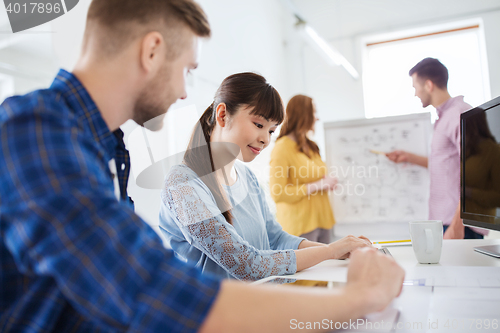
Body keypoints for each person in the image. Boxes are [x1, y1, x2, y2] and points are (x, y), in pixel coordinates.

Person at [0, 0, 405, 332]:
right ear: (152, 50)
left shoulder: (102, 144)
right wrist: (357, 299)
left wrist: (339, 260)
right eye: (187, 71)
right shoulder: (35, 130)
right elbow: (148, 289)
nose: (182, 92)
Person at [159, 74, 372, 281]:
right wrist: (330, 252)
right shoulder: (183, 183)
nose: (264, 139)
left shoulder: (247, 177)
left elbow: (276, 239)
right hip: (212, 314)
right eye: (259, 125)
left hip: (259, 308)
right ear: (222, 115)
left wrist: (338, 250)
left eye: (271, 131)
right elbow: (246, 264)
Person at [386, 57, 488, 239]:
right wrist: (409, 157)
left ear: (428, 85)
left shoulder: (459, 113)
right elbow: (447, 164)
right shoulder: (444, 118)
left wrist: (458, 225)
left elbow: (478, 171)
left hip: (460, 226)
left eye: (415, 87)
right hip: (446, 222)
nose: (415, 93)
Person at [270, 94, 336, 243]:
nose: (317, 118)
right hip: (301, 226)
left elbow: (317, 178)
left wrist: (326, 183)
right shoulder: (282, 148)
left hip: (323, 220)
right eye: (314, 112)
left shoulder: (311, 146)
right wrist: (318, 185)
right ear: (302, 114)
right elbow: (278, 194)